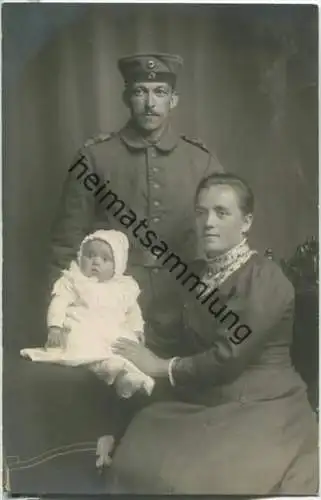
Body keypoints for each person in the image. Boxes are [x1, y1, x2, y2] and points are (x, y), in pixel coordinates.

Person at [106, 173, 318, 495]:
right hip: (209, 398)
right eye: (201, 212)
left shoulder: (266, 280)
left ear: (246, 223)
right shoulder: (195, 274)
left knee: (196, 480)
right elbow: (166, 334)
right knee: (140, 448)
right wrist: (119, 347)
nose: (208, 222)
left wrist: (160, 367)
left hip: (262, 403)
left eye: (222, 212)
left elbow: (228, 357)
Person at [50, 53, 223, 340]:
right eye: (140, 91)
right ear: (126, 98)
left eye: (160, 92)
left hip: (185, 303)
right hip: (108, 309)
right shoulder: (94, 157)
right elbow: (66, 242)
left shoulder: (201, 160)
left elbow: (225, 243)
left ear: (174, 100)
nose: (151, 103)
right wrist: (61, 318)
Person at [21, 230, 154, 398]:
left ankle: (126, 377)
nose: (96, 262)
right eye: (90, 255)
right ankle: (109, 369)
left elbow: (133, 312)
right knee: (84, 344)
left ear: (118, 265)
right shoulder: (73, 280)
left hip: (113, 329)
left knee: (125, 348)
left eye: (105, 259)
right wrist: (55, 327)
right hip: (82, 325)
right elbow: (59, 303)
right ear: (80, 255)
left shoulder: (124, 287)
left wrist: (137, 330)